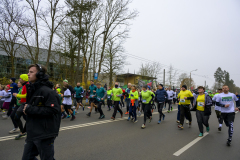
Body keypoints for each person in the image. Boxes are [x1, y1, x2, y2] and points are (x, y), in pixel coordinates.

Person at [22, 64, 61, 160]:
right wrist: (27, 110)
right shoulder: (32, 89)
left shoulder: (48, 91)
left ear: (39, 74)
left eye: (31, 72)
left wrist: (30, 109)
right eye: (28, 72)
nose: (28, 74)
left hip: (45, 133)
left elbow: (54, 109)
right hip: (32, 132)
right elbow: (32, 107)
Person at [13, 74, 28, 140]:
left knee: (29, 119)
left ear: (23, 79)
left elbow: (27, 95)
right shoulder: (24, 85)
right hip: (23, 104)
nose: (19, 79)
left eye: (20, 78)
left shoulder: (27, 85)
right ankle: (23, 131)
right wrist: (21, 101)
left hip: (27, 104)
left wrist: (17, 95)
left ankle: (23, 132)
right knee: (16, 117)